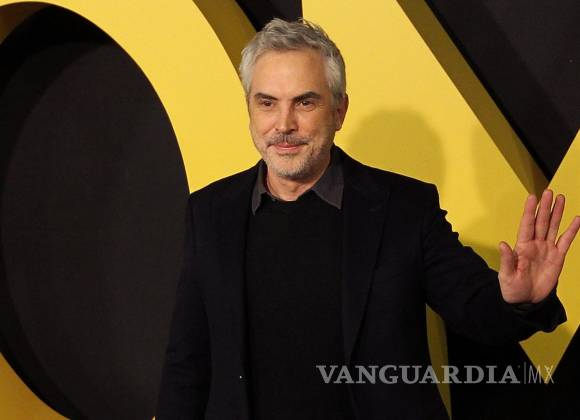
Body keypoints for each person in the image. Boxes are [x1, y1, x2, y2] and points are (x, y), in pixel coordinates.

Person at [156, 18, 580, 420]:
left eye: (305, 102)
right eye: (267, 103)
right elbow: (188, 360)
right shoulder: (211, 211)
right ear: (250, 109)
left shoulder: (402, 208)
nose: (284, 124)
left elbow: (474, 309)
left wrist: (521, 299)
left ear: (339, 111)